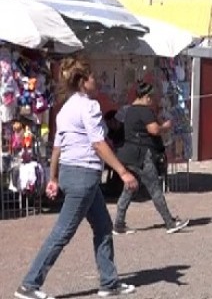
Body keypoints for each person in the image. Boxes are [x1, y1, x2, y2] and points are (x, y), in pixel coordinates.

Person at [15, 56, 139, 299]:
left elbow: (57, 147)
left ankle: (109, 282)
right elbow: (97, 143)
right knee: (62, 232)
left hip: (72, 173)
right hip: (84, 175)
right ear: (83, 81)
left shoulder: (65, 109)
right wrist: (123, 172)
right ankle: (29, 284)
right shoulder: (89, 106)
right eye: (93, 76)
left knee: (103, 227)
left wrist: (53, 177)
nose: (97, 81)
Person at [114, 82, 189, 235]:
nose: (153, 100)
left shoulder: (128, 111)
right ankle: (169, 222)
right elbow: (154, 130)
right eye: (152, 97)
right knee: (154, 188)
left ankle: (118, 223)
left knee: (129, 189)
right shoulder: (144, 111)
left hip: (128, 154)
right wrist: (166, 127)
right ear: (147, 97)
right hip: (141, 156)